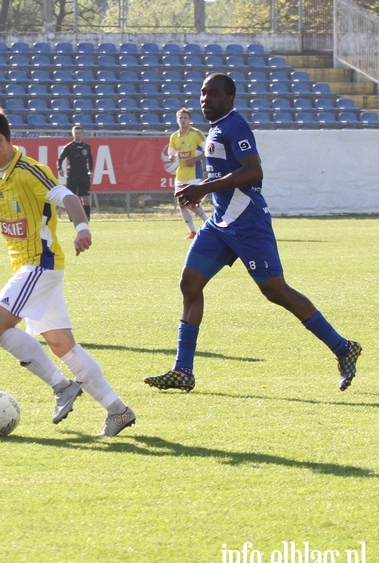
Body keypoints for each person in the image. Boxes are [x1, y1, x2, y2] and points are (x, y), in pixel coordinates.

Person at [144, 73, 361, 393]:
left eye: (213, 94)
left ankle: (344, 348)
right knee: (189, 283)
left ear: (229, 98)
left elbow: (253, 171)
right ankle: (183, 370)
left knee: (275, 290)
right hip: (220, 224)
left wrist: (203, 187)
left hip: (248, 224)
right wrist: (203, 191)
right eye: (203, 93)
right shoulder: (216, 129)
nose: (205, 99)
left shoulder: (235, 125)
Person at [0, 105, 135, 437]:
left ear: (0, 140)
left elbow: (69, 197)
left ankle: (61, 387)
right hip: (27, 265)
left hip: (40, 262)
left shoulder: (30, 171)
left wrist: (83, 228)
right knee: (62, 346)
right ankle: (118, 411)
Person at [168, 107, 209, 239]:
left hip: (194, 174)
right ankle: (193, 231)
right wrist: (172, 157)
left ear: (189, 120)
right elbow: (171, 152)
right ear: (177, 120)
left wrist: (195, 159)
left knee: (192, 203)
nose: (183, 120)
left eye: (185, 118)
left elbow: (208, 150)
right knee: (181, 202)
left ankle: (209, 225)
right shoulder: (174, 136)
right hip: (180, 175)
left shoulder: (196, 134)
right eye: (180, 118)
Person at [56, 125, 93, 220]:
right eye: (76, 133)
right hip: (72, 175)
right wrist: (59, 168)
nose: (78, 135)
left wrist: (91, 170)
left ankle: (87, 217)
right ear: (73, 134)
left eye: (79, 133)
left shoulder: (87, 147)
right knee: (71, 198)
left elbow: (91, 160)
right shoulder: (69, 147)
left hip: (84, 174)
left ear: (83, 134)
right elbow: (60, 159)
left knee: (85, 197)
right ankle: (72, 218)